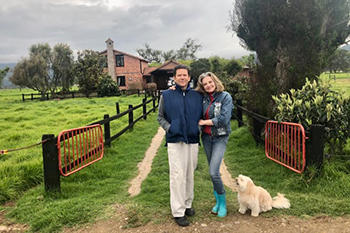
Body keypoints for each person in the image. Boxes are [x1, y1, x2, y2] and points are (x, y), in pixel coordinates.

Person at [157, 64, 203, 227]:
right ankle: (178, 211)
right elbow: (160, 117)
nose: (182, 77)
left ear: (189, 78)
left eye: (185, 75)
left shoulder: (197, 96)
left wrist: (197, 128)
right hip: (175, 141)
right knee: (177, 175)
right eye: (179, 75)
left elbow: (203, 114)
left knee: (189, 173)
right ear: (174, 78)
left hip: (192, 140)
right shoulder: (166, 95)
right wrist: (171, 128)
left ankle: (187, 204)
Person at [196, 72, 233, 218]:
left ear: (215, 81)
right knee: (214, 173)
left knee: (213, 172)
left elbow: (224, 119)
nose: (208, 85)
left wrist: (204, 122)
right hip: (206, 138)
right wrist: (173, 89)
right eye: (205, 84)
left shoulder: (225, 97)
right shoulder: (202, 98)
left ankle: (223, 203)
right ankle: (217, 202)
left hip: (220, 137)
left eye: (210, 82)